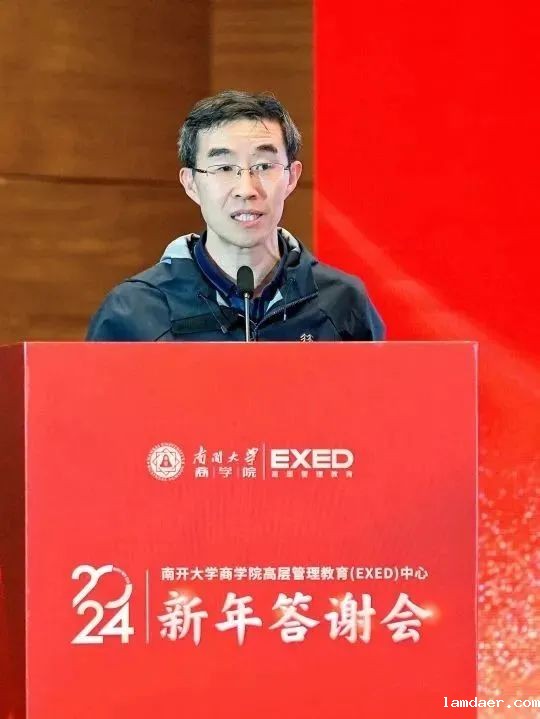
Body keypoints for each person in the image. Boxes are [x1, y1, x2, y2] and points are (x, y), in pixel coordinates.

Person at [86, 91, 385, 342]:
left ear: (292, 177)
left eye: (264, 166)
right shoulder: (134, 311)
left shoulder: (342, 303)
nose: (246, 189)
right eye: (224, 168)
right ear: (191, 183)